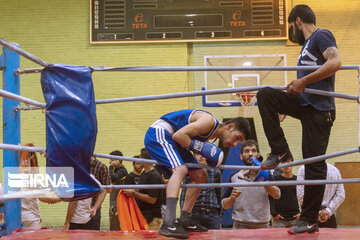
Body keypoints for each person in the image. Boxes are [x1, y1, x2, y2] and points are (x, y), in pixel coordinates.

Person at [256, 4, 341, 234]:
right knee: (265, 95)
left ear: (298, 21)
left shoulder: (321, 35)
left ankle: (310, 219)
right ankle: (281, 151)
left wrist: (303, 82)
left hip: (320, 110)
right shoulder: (305, 47)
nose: (291, 32)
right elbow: (304, 86)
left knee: (314, 164)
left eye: (290, 26)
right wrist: (285, 105)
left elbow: (335, 63)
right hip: (305, 104)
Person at [144, 109, 251, 239]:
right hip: (161, 133)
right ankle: (169, 222)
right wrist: (203, 148)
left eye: (238, 142)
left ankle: (185, 219)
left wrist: (203, 148)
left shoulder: (211, 134)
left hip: (177, 143)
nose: (234, 144)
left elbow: (183, 139)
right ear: (230, 127)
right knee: (181, 170)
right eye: (237, 138)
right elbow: (178, 135)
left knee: (201, 175)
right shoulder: (208, 121)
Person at [221, 140, 280, 229]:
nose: (250, 154)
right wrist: (232, 198)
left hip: (263, 224)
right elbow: (225, 205)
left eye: (253, 150)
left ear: (258, 155)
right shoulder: (233, 176)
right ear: (241, 156)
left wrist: (262, 179)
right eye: (247, 151)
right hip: (240, 225)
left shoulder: (266, 173)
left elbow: (277, 195)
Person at [123, 148, 164, 230]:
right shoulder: (145, 173)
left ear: (144, 159)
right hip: (143, 215)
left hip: (152, 218)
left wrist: (133, 193)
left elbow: (152, 199)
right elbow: (141, 190)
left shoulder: (154, 176)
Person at [180, 153, 222, 229]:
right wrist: (184, 216)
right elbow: (183, 196)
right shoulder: (189, 173)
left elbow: (219, 194)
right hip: (195, 213)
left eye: (204, 154)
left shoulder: (216, 171)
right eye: (198, 154)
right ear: (194, 156)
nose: (201, 156)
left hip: (212, 213)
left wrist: (220, 217)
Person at [297, 163, 345, 228]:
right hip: (327, 216)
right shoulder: (334, 170)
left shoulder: (303, 169)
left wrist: (314, 211)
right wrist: (328, 211)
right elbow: (341, 195)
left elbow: (300, 195)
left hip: (309, 216)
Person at [270, 158, 300, 228]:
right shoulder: (275, 179)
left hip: (295, 218)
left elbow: (303, 197)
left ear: (293, 164)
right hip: (279, 218)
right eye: (284, 162)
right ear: (280, 164)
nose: (287, 165)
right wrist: (274, 214)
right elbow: (270, 197)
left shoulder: (298, 179)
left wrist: (302, 213)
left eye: (289, 162)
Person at [88, 156, 111, 230]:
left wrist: (95, 208)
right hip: (78, 209)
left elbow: (108, 189)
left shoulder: (101, 167)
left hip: (94, 207)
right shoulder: (79, 165)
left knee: (93, 235)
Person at [108, 150, 128, 231]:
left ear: (119, 160)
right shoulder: (114, 170)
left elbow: (113, 178)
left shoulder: (122, 170)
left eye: (112, 160)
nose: (110, 162)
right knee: (113, 223)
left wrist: (111, 167)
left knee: (116, 224)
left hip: (118, 201)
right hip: (113, 200)